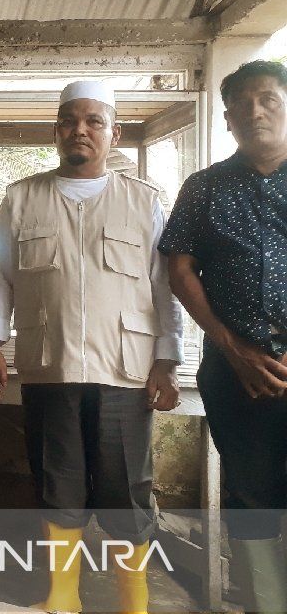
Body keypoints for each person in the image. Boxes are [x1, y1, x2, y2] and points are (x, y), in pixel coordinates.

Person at [0, 80, 183, 614]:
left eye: (94, 121)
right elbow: (1, 279)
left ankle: (130, 599)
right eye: (70, 121)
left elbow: (166, 287)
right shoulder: (22, 197)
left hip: (125, 370)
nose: (81, 130)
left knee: (124, 489)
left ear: (114, 132)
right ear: (56, 131)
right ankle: (62, 597)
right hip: (51, 366)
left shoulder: (144, 201)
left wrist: (167, 357)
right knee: (55, 481)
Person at [159, 60, 287, 613]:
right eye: (243, 105)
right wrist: (232, 349)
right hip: (237, 372)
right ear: (229, 120)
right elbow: (180, 269)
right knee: (251, 495)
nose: (256, 112)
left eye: (269, 99)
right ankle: (267, 603)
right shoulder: (205, 187)